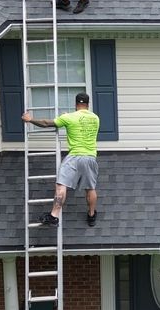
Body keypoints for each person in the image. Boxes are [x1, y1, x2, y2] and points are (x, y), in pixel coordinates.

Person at [21, 92, 100, 227]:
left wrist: (30, 119)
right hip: (90, 157)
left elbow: (46, 123)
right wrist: (67, 117)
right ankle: (91, 215)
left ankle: (54, 215)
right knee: (90, 188)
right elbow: (81, 123)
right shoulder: (95, 118)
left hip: (74, 156)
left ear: (76, 104)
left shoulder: (69, 117)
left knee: (61, 185)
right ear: (88, 104)